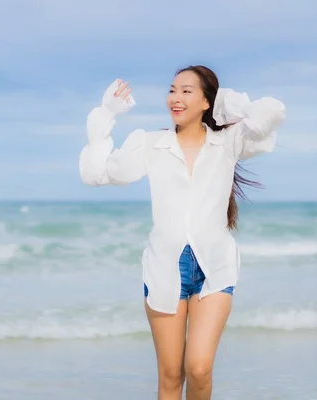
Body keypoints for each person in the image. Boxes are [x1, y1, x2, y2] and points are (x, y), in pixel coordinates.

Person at [79, 65, 285, 400]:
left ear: (207, 102)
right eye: (173, 90)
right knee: (171, 376)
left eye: (187, 91)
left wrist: (230, 106)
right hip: (164, 268)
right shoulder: (150, 144)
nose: (175, 98)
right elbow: (98, 174)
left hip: (214, 269)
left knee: (199, 368)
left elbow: (273, 112)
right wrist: (106, 114)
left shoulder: (228, 142)